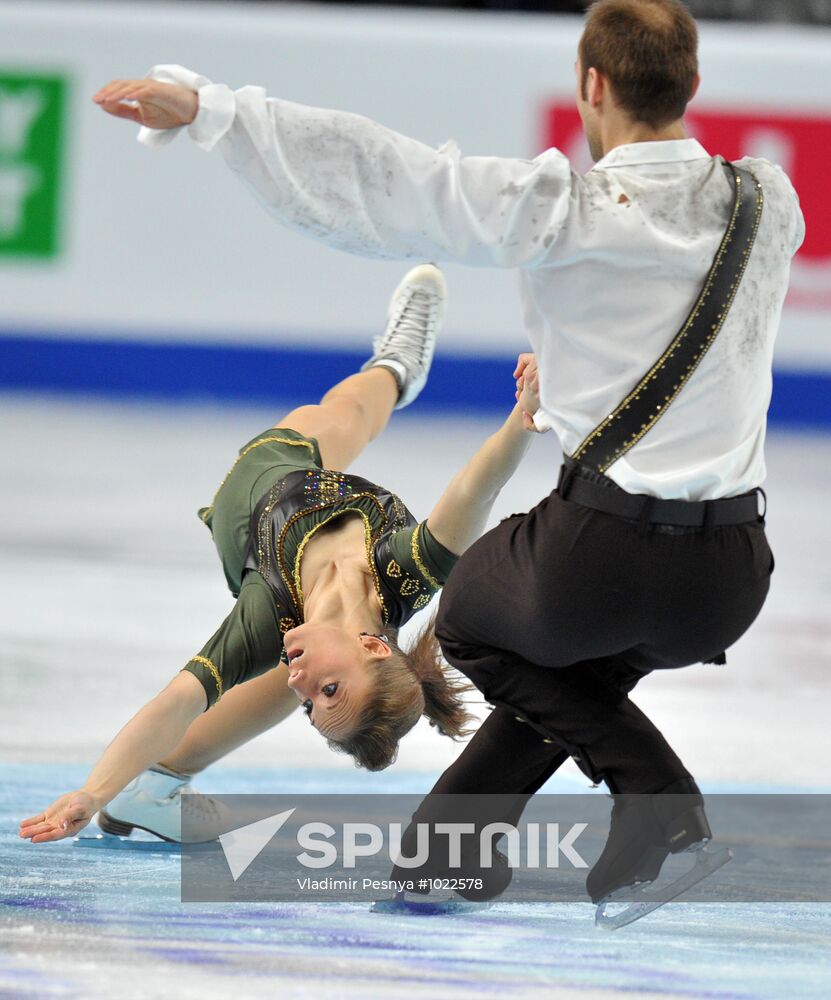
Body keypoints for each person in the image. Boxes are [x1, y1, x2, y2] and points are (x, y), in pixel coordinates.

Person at [78, 0, 803, 905]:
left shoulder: (565, 207)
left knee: (464, 614)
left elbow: (388, 181)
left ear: (592, 85)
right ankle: (450, 855)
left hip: (597, 566)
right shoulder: (770, 199)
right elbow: (689, 319)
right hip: (728, 581)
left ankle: (657, 800)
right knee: (545, 695)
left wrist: (219, 114)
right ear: (692, 86)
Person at [19, 264, 546, 846]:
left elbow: (175, 702)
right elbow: (477, 488)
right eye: (328, 693)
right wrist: (526, 411)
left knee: (280, 662)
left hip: (257, 497)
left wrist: (91, 792)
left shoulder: (267, 615)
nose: (306, 687)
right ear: (374, 645)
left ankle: (147, 785)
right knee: (353, 413)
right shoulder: (407, 570)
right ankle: (397, 365)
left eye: (313, 707)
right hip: (318, 487)